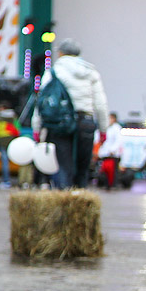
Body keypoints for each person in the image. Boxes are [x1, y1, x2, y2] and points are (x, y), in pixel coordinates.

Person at [32, 38, 109, 189]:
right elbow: (101, 104)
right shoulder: (91, 72)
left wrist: (37, 127)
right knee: (83, 168)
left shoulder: (53, 72)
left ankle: (64, 199)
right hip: (85, 121)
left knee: (63, 166)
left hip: (60, 123)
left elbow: (42, 102)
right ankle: (80, 198)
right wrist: (103, 129)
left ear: (60, 53)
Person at [97, 112, 123, 188]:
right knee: (105, 170)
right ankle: (106, 184)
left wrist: (113, 150)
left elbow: (118, 141)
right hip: (105, 154)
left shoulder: (117, 128)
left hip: (113, 154)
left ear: (114, 119)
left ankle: (113, 184)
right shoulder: (106, 128)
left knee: (113, 172)